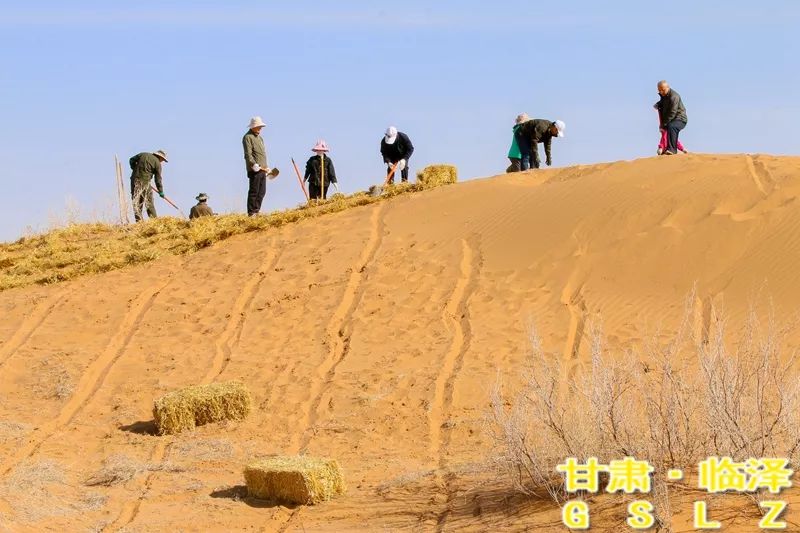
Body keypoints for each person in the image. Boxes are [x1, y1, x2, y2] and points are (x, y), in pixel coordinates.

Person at [242, 116, 274, 216]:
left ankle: (257, 210)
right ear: (253, 127)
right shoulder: (247, 137)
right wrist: (253, 164)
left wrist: (266, 166)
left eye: (261, 126)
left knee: (262, 192)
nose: (260, 128)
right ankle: (251, 213)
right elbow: (248, 154)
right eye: (258, 126)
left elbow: (262, 154)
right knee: (254, 191)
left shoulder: (260, 138)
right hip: (254, 169)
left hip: (263, 169)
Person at [129, 149, 168, 222]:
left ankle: (139, 222)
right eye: (162, 160)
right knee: (149, 203)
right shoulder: (157, 163)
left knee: (136, 202)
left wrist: (134, 168)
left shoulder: (142, 154)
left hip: (134, 181)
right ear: (160, 157)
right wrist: (161, 191)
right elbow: (158, 179)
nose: (162, 162)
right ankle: (154, 222)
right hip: (145, 183)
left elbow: (131, 160)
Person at [655, 80, 688, 156]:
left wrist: (665, 123)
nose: (661, 91)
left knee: (671, 127)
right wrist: (658, 104)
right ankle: (665, 149)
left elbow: (673, 112)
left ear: (668, 87)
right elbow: (662, 102)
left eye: (663, 89)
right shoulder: (664, 96)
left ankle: (672, 150)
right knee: (667, 132)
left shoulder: (674, 96)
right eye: (659, 90)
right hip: (671, 120)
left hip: (680, 119)